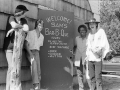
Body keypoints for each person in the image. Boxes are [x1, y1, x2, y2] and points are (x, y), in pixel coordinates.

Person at [3, 5, 29, 90]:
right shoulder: (11, 17)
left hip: (18, 49)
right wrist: (15, 28)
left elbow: (27, 29)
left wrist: (14, 29)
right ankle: (8, 88)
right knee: (11, 67)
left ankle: (15, 86)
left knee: (17, 67)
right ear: (21, 12)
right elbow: (14, 25)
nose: (25, 14)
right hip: (9, 48)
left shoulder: (23, 20)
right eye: (25, 12)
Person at [85, 18, 110, 90]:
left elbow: (104, 43)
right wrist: (87, 55)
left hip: (97, 59)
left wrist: (99, 50)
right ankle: (92, 88)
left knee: (98, 77)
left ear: (96, 24)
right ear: (88, 26)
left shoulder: (101, 32)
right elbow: (88, 47)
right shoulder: (89, 34)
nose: (91, 25)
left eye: (93, 23)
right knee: (92, 77)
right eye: (90, 24)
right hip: (90, 59)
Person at [25, 19, 44, 90]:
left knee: (38, 70)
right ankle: (36, 86)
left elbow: (39, 47)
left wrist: (36, 54)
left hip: (37, 52)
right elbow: (26, 45)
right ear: (36, 25)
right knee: (34, 65)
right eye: (39, 25)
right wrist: (30, 54)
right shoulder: (30, 33)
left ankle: (38, 87)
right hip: (30, 51)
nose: (41, 27)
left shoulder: (42, 36)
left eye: (42, 25)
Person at [73, 24, 88, 90]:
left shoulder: (88, 39)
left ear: (86, 31)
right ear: (79, 31)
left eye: (83, 30)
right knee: (79, 74)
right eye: (80, 30)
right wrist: (74, 54)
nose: (82, 31)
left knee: (88, 74)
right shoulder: (76, 38)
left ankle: (91, 86)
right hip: (78, 58)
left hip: (86, 58)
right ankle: (81, 88)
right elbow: (74, 46)